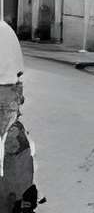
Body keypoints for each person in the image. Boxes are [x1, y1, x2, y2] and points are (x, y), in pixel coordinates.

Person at [0, 19, 37, 213]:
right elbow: (20, 70)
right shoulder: (7, 30)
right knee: (11, 146)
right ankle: (16, 200)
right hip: (11, 93)